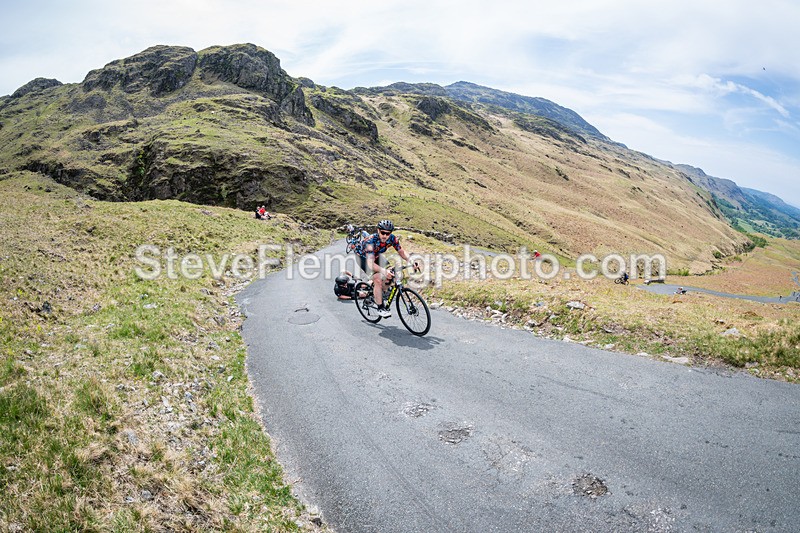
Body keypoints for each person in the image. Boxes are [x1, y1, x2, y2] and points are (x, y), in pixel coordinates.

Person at [355, 219, 417, 318]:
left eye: (387, 233)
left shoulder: (392, 238)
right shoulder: (370, 241)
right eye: (382, 232)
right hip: (362, 258)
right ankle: (380, 307)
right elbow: (370, 264)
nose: (385, 235)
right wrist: (383, 271)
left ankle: (375, 290)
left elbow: (401, 251)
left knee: (391, 274)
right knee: (378, 278)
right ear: (378, 231)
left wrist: (411, 261)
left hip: (376, 256)